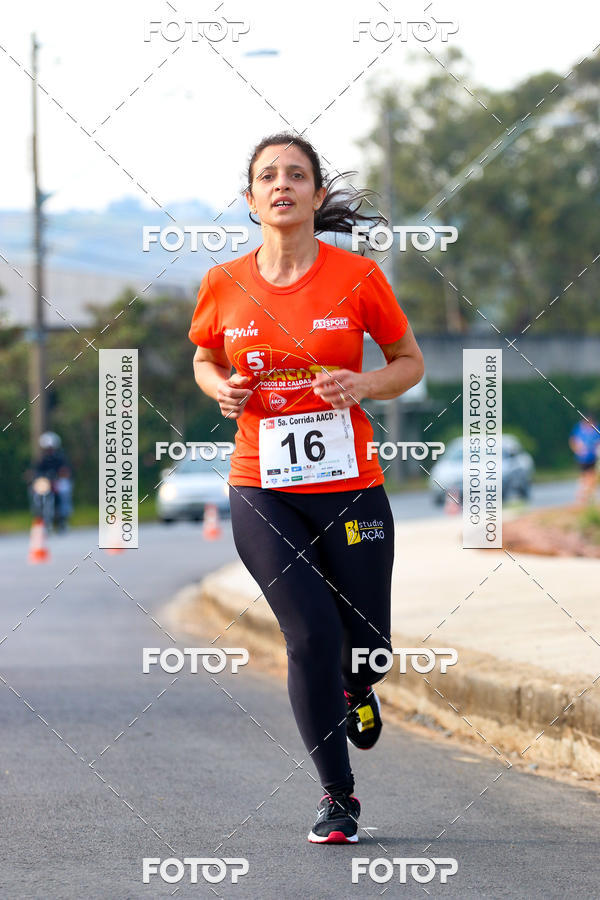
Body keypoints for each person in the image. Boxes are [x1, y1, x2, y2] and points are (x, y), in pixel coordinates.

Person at [189, 133, 424, 844]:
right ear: (251, 198)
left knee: (369, 645)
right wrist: (220, 388)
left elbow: (407, 361)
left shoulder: (357, 276)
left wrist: (363, 384)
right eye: (268, 176)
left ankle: (357, 688)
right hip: (262, 484)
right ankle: (336, 795)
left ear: (318, 196)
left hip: (350, 485)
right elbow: (204, 357)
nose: (282, 184)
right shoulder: (223, 283)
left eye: (296, 175)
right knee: (310, 635)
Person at [27, 432, 73, 530]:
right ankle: (38, 514)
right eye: (47, 448)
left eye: (51, 448)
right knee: (35, 493)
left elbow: (65, 471)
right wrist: (32, 477)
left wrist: (61, 476)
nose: (49, 450)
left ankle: (63, 516)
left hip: (57, 481)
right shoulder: (41, 459)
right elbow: (35, 471)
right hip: (45, 482)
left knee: (64, 491)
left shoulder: (60, 458)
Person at [568, 415, 600, 506]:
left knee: (591, 478)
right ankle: (582, 498)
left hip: (593, 458)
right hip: (582, 459)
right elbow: (573, 440)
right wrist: (577, 450)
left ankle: (586, 497)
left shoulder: (595, 428)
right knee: (586, 478)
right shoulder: (579, 428)